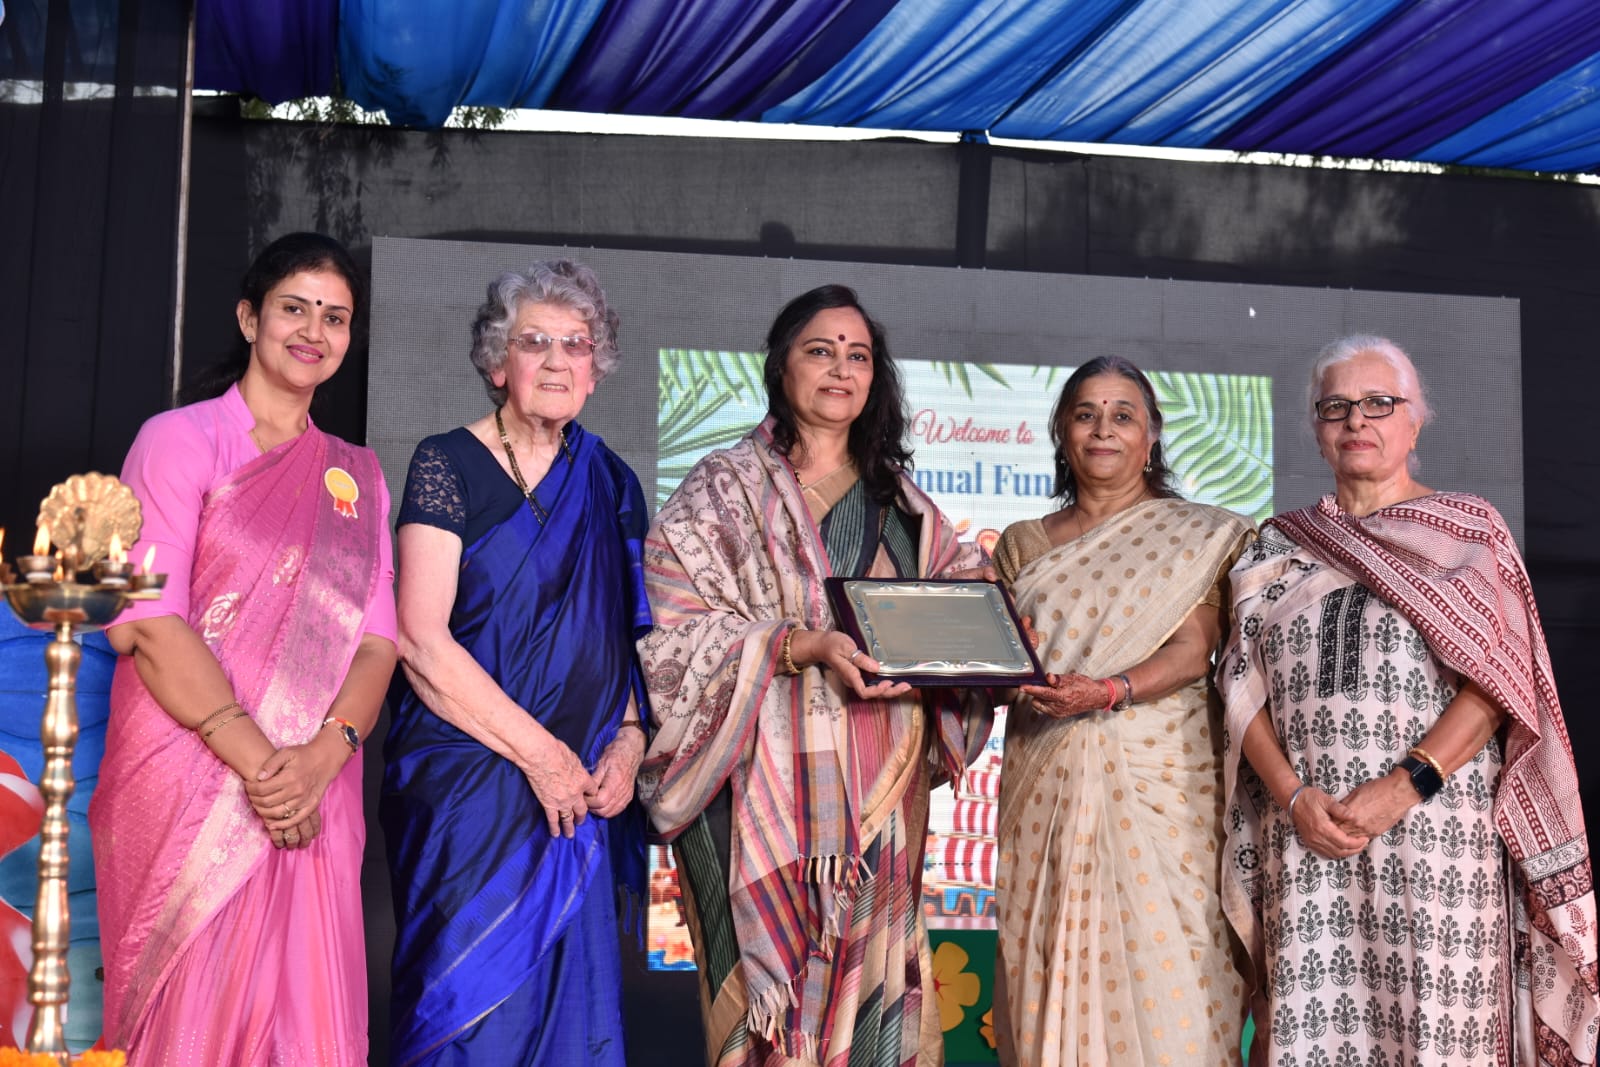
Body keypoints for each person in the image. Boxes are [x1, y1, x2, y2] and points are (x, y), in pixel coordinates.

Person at [637, 284, 995, 1065]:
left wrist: (978, 633)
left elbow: (966, 620)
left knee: (873, 1011)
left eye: (858, 355)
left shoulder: (905, 508)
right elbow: (672, 638)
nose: (841, 368)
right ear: (782, 366)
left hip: (880, 792)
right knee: (768, 1019)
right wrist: (797, 645)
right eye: (820, 350)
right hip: (752, 796)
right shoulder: (720, 489)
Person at [1217, 335, 1599, 1066]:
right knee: (1312, 1034)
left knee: (1438, 1032)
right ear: (1316, 428)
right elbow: (1238, 691)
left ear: (1414, 423)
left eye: (1378, 403)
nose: (1356, 420)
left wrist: (1402, 787)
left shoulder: (1468, 534)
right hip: (1309, 836)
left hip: (1437, 834)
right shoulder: (1276, 546)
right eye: (1336, 406)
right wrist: (1294, 798)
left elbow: (1499, 682)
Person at [91, 232, 396, 1064]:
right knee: (190, 1016)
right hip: (194, 773)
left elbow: (377, 644)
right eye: (295, 307)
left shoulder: (358, 476)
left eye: (335, 316)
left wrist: (323, 755)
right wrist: (267, 770)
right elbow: (148, 622)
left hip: (315, 786)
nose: (314, 330)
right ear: (250, 317)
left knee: (304, 1021)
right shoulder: (179, 440)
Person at [382, 260, 650, 1066]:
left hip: (580, 796)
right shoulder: (446, 463)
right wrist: (541, 757)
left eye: (577, 344)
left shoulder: (612, 482)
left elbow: (628, 640)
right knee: (468, 1016)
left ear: (596, 370)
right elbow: (419, 639)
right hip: (468, 785)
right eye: (536, 342)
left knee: (575, 1023)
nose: (558, 361)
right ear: (499, 362)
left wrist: (629, 742)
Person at [989, 356, 1254, 1065]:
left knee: (1174, 984)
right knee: (1047, 972)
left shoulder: (1199, 535)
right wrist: (1004, 670)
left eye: (1122, 415)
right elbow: (1004, 663)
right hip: (1046, 787)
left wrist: (1109, 691)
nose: (1103, 429)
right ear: (1061, 432)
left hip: (1164, 787)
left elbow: (1194, 649)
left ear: (1151, 436)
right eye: (1085, 414)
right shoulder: (1023, 543)